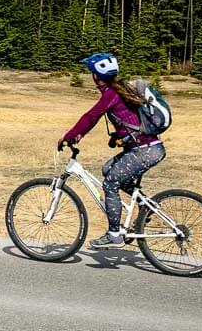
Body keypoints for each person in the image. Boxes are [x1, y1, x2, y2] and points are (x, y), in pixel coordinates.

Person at [57, 52, 165, 249]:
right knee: (108, 169)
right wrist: (118, 136)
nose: (91, 75)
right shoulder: (119, 89)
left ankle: (114, 234)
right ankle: (146, 205)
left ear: (97, 75)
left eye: (91, 71)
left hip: (145, 150)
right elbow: (130, 120)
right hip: (148, 147)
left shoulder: (111, 93)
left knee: (110, 183)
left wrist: (69, 135)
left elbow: (91, 116)